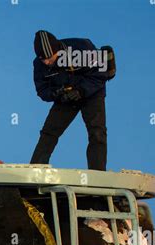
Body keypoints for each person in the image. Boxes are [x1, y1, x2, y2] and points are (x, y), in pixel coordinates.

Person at [30, 30, 109, 171]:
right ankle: (36, 169)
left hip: (92, 94)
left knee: (97, 132)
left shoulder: (82, 47)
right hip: (66, 97)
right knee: (49, 132)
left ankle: (98, 173)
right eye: (43, 59)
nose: (47, 62)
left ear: (58, 50)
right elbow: (42, 90)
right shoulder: (39, 65)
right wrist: (56, 93)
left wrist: (81, 91)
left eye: (50, 57)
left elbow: (101, 74)